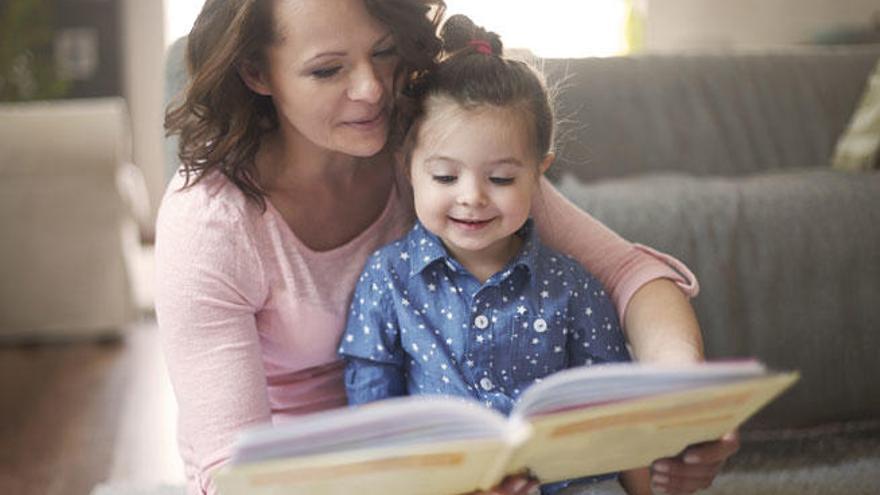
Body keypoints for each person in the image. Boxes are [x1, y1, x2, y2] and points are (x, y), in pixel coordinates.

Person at [156, 0, 739, 494]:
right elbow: (230, 471)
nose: (371, 90)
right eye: (328, 70)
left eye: (383, 52)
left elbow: (628, 273)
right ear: (258, 73)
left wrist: (678, 399)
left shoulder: (438, 157)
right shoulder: (211, 223)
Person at [337, 14, 647, 494]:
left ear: (538, 173)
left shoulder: (573, 286)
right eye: (445, 177)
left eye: (501, 179)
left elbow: (613, 411)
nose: (472, 197)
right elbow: (374, 417)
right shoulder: (388, 279)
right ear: (408, 166)